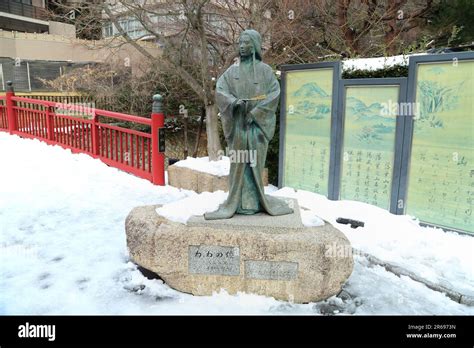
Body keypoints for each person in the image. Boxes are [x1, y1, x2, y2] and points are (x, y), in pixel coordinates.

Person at [204, 29, 293, 220]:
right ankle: (236, 202)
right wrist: (234, 103)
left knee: (254, 164)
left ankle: (255, 201)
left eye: (246, 43)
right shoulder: (232, 71)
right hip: (238, 125)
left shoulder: (266, 71)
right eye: (240, 43)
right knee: (238, 163)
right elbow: (220, 90)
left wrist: (256, 113)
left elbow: (274, 94)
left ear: (254, 46)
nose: (242, 46)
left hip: (257, 128)